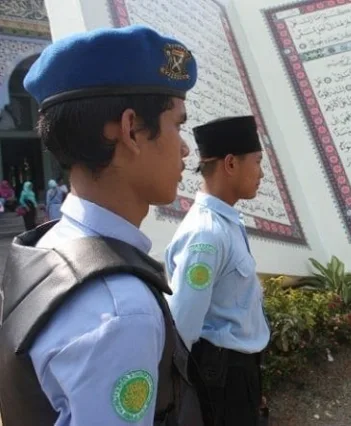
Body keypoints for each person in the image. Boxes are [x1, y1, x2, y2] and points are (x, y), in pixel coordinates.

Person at [0, 25, 210, 425]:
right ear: (131, 129)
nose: (185, 148)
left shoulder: (46, 243)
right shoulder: (120, 313)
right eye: (177, 125)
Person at [165, 115, 270, 425]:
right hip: (221, 379)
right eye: (257, 161)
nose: (261, 173)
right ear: (231, 164)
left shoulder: (226, 223)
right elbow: (182, 326)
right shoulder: (206, 235)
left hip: (238, 371)